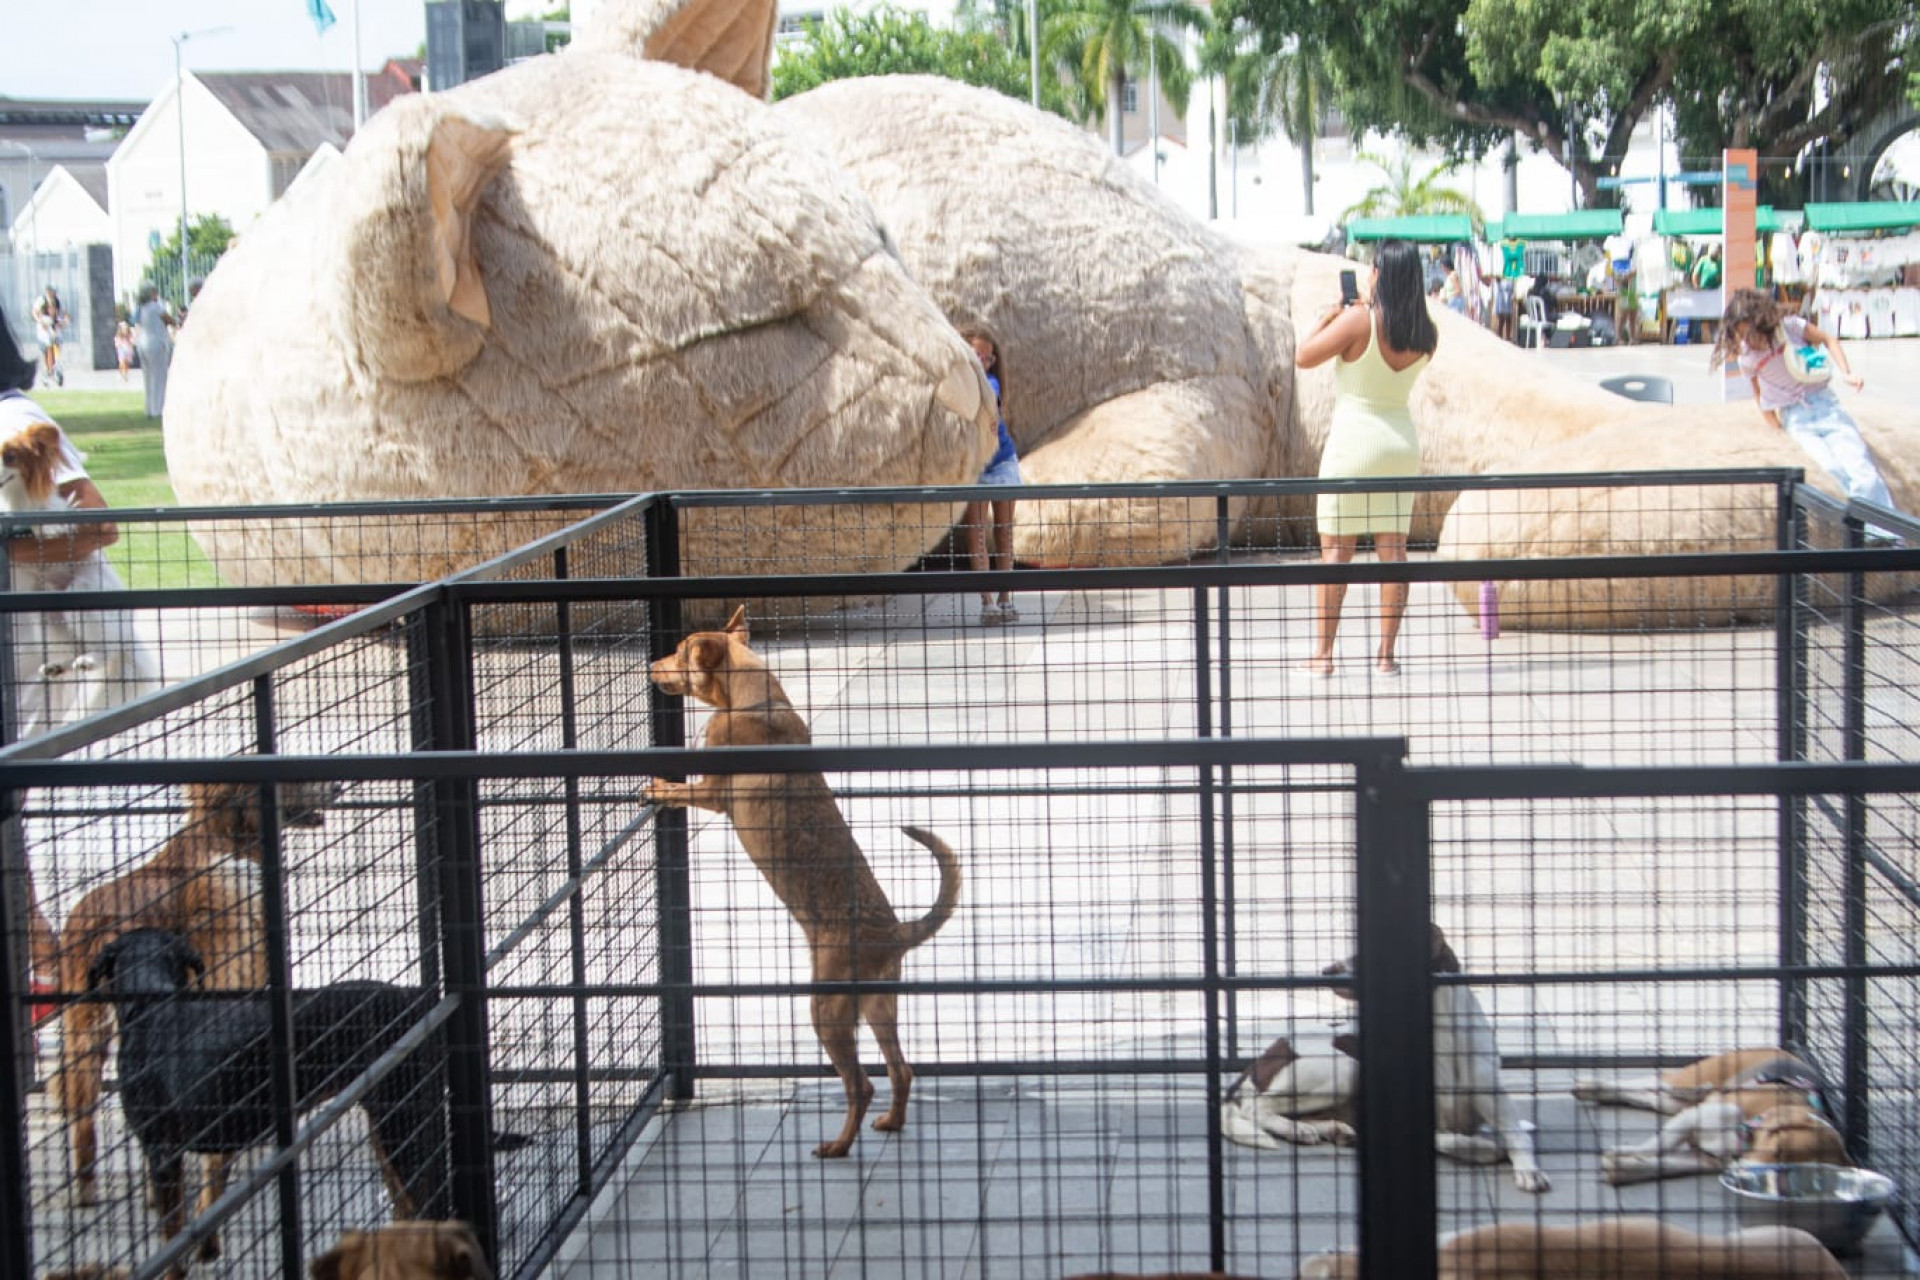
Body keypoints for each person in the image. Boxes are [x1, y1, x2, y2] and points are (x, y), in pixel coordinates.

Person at [0, 301, 124, 987]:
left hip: (44, 654)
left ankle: (51, 965)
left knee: (25, 809)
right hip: (24, 652)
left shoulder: (17, 420)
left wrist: (21, 552)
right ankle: (44, 961)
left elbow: (100, 522)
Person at [1294, 239, 1438, 677]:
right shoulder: (1425, 333)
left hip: (1354, 444)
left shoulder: (1358, 321)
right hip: (1399, 444)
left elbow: (1304, 357)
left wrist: (1328, 318)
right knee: (1393, 551)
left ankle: (1322, 655)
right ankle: (1386, 656)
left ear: (1379, 273)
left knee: (1337, 552)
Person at [1712, 288, 1902, 531]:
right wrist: (1775, 426)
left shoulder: (1790, 327)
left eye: (1749, 331)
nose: (1747, 340)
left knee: (1863, 471)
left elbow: (1827, 339)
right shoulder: (1747, 358)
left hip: (1826, 406)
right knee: (1831, 469)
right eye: (1740, 335)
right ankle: (1868, 534)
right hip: (1796, 418)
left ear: (1762, 321)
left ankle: (1889, 539)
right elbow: (1759, 394)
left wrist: (1847, 374)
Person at [959, 324, 1021, 625]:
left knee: (1004, 529)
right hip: (976, 466)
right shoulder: (958, 385)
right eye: (976, 356)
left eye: (987, 358)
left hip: (1002, 461)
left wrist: (991, 416)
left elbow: (991, 400)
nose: (982, 363)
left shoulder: (991, 383)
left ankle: (1006, 598)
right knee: (977, 531)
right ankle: (987, 603)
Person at [132, 285, 174, 419]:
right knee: (159, 377)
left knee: (148, 377)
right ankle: (158, 409)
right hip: (156, 343)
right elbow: (169, 320)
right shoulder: (155, 307)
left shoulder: (140, 308)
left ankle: (149, 408)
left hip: (142, 343)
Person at [31, 285, 67, 385]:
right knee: (48, 348)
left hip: (54, 329)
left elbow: (63, 315)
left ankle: (53, 369)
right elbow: (34, 312)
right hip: (44, 331)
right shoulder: (41, 300)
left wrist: (63, 322)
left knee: (55, 348)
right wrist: (40, 321)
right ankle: (49, 371)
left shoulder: (58, 301)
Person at [114, 315, 136, 382]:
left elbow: (133, 343)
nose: (125, 330)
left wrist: (130, 341)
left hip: (128, 351)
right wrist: (118, 344)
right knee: (122, 363)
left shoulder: (130, 335)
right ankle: (122, 374)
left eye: (126, 329)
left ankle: (125, 374)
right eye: (123, 329)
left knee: (126, 364)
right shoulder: (119, 336)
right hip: (121, 350)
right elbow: (117, 344)